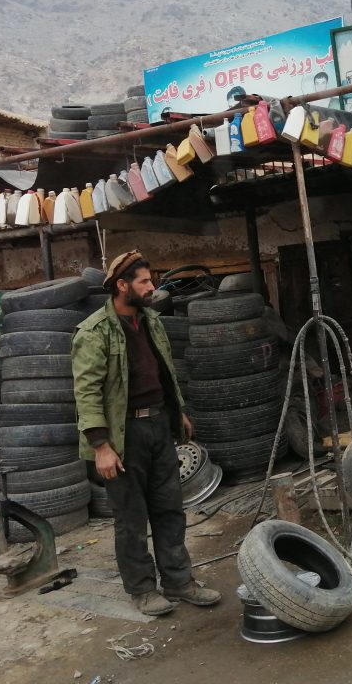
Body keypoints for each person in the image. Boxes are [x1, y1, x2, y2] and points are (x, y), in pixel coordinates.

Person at [72, 251, 221, 616]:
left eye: (150, 281)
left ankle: (179, 582)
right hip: (124, 436)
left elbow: (166, 370)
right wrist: (101, 446)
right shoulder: (95, 331)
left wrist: (179, 411)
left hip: (158, 425)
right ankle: (141, 589)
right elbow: (86, 391)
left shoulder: (151, 321)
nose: (152, 287)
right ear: (122, 286)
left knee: (170, 509)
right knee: (131, 517)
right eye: (144, 282)